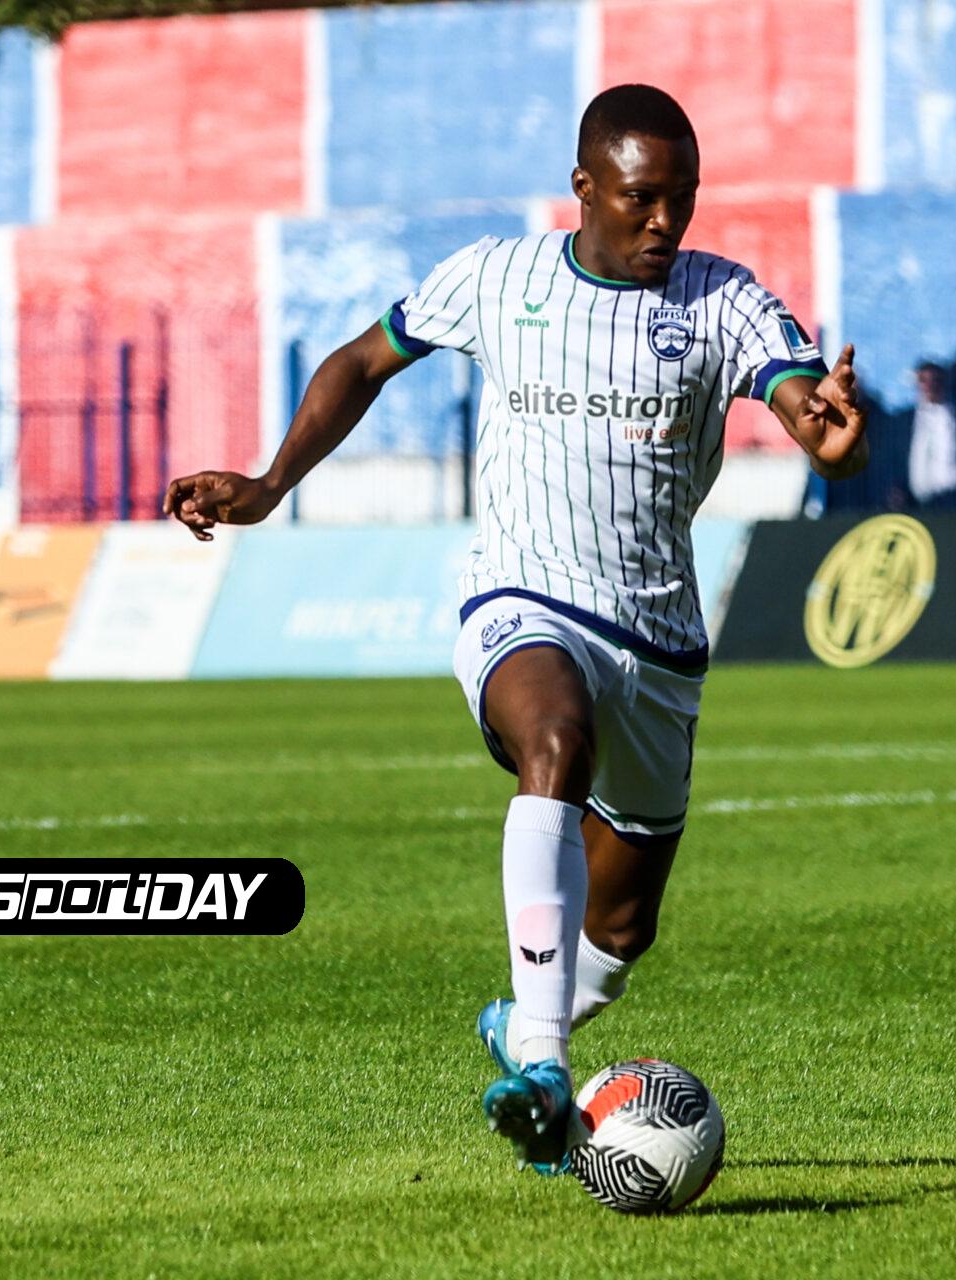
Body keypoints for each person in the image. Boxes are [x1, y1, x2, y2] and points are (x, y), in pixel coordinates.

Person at [162, 84, 866, 1179]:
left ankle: (523, 1020)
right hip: (524, 602)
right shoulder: (498, 278)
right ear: (583, 186)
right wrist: (268, 483)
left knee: (621, 932)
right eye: (640, 197)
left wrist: (828, 436)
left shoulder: (722, 300)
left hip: (660, 639)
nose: (665, 221)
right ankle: (542, 1069)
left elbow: (802, 400)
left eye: (681, 198)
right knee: (555, 741)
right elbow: (359, 361)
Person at [904, 361, 956, 508]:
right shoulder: (904, 419)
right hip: (915, 499)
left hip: (954, 497)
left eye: (935, 380)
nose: (929, 386)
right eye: (923, 380)